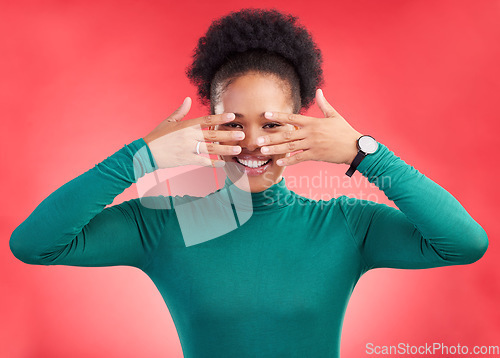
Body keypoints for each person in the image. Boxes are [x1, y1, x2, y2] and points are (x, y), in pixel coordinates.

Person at [9, 8, 488, 358]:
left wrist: (366, 153)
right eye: (234, 123)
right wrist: (140, 160)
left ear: (303, 127)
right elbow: (34, 245)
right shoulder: (164, 225)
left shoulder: (346, 226)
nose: (252, 143)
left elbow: (465, 245)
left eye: (273, 124)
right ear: (208, 126)